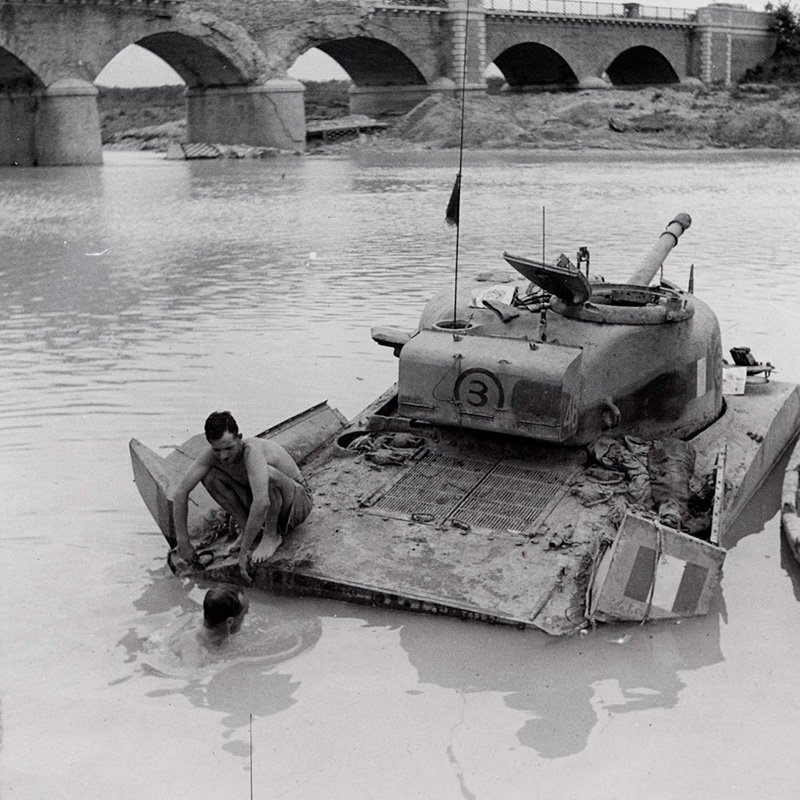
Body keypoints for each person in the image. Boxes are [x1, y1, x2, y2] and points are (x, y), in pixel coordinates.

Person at [173, 410, 313, 583]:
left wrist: (243, 552)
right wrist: (183, 541)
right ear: (210, 445)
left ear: (239, 438)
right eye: (217, 450)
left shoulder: (252, 451)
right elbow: (180, 493)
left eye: (229, 448)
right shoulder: (211, 455)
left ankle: (271, 535)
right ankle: (246, 526)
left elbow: (261, 503)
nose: (223, 456)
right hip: (267, 502)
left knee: (266, 475)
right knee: (210, 477)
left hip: (296, 503)